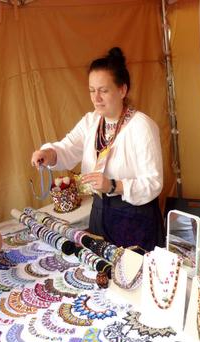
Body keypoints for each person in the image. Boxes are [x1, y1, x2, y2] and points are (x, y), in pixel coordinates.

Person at [30, 47, 164, 251]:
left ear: (122, 90)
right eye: (92, 90)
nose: (96, 98)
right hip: (100, 213)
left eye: (104, 90)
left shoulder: (141, 126)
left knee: (132, 276)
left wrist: (113, 185)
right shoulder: (91, 121)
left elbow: (153, 183)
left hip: (134, 218)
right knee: (98, 272)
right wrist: (48, 154)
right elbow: (67, 147)